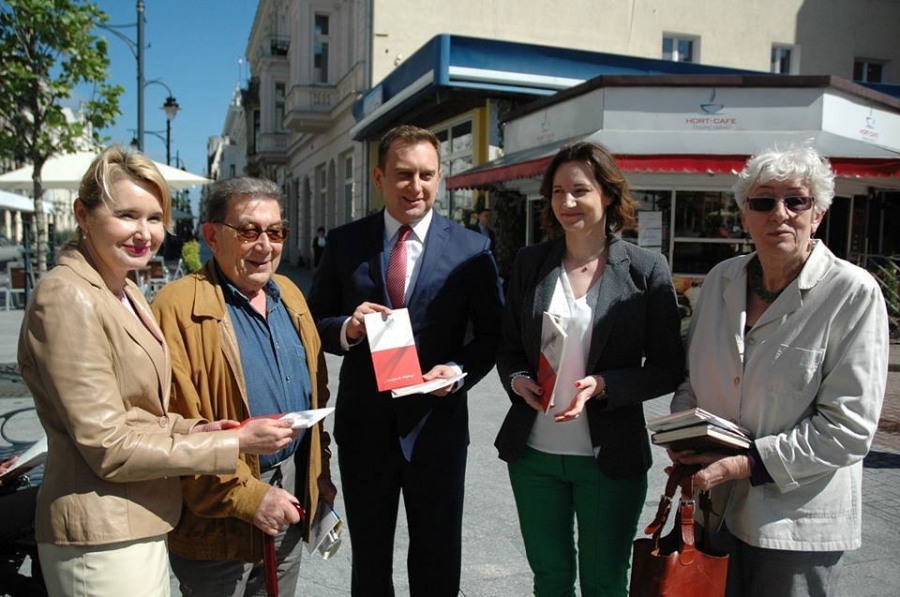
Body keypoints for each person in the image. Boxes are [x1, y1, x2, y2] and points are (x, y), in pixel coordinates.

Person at [16, 147, 297, 597]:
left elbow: (141, 413)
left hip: (136, 521)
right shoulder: (68, 296)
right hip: (100, 531)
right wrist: (235, 442)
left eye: (154, 218)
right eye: (126, 215)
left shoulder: (122, 288)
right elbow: (109, 447)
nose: (144, 232)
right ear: (83, 215)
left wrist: (197, 428)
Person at [670, 145, 889, 597]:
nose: (780, 214)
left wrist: (746, 463)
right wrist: (684, 436)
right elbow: (692, 379)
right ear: (745, 215)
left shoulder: (852, 293)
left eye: (796, 200)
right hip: (715, 511)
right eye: (764, 202)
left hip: (795, 525)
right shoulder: (721, 279)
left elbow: (848, 428)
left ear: (818, 213)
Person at [308, 124, 503, 596]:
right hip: (365, 431)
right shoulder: (345, 243)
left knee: (438, 562)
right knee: (369, 564)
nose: (415, 186)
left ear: (439, 178)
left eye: (426, 175)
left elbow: (492, 336)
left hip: (436, 431)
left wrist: (457, 371)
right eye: (403, 174)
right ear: (379, 178)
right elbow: (314, 322)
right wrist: (348, 329)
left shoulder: (472, 249)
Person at [494, 141, 685, 597]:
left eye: (579, 190)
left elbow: (667, 367)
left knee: (604, 582)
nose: (567, 202)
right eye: (557, 192)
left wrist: (602, 385)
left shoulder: (645, 269)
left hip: (609, 458)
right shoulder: (530, 263)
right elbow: (508, 346)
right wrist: (518, 380)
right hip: (534, 456)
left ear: (608, 194)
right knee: (550, 579)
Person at [152, 177, 335, 597]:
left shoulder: (290, 294)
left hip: (289, 492)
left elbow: (317, 395)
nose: (265, 245)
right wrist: (251, 498)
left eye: (276, 232)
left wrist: (318, 471)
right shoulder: (176, 308)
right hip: (217, 515)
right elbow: (173, 427)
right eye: (249, 231)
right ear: (212, 236)